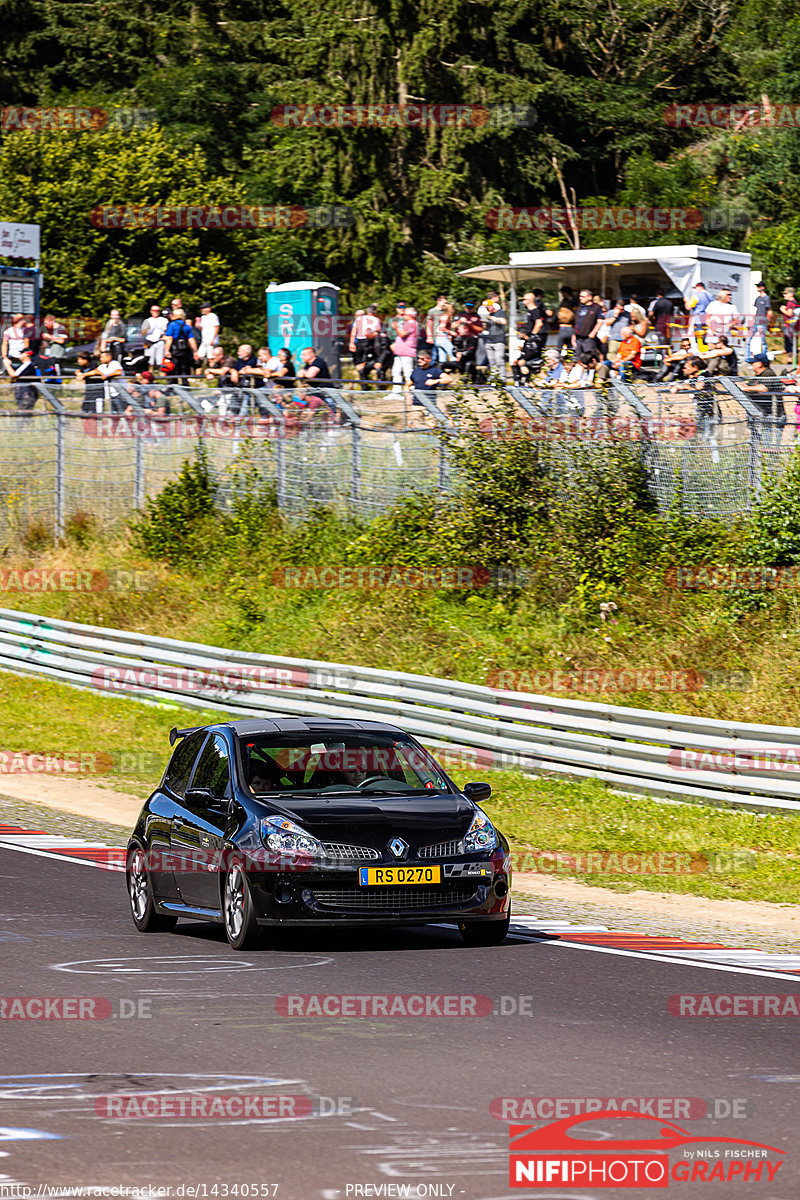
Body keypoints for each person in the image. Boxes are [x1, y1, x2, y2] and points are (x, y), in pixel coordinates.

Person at [741, 354, 786, 447]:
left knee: (769, 445)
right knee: (756, 443)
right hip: (759, 414)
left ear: (760, 364)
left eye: (753, 362)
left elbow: (763, 388)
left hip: (772, 415)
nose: (752, 364)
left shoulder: (769, 374)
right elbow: (749, 385)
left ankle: (771, 459)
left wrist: (746, 388)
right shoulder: (758, 376)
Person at [669, 356, 718, 439]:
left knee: (709, 434)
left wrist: (687, 387)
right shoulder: (694, 377)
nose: (683, 369)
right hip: (701, 410)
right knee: (701, 431)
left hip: (709, 410)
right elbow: (680, 384)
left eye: (686, 367)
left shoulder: (704, 375)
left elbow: (699, 387)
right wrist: (678, 386)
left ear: (695, 367)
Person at [388, 306, 418, 397]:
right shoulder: (407, 323)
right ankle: (396, 391)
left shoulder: (412, 323)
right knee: (396, 371)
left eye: (405, 314)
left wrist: (395, 327)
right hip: (400, 351)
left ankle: (411, 392)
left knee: (408, 372)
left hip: (407, 351)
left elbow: (402, 334)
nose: (403, 315)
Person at [163, 308, 197, 385]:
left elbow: (169, 338)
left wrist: (166, 350)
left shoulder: (172, 324)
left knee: (172, 369)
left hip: (174, 350)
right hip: (184, 350)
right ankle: (185, 387)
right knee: (184, 369)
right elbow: (191, 339)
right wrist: (195, 351)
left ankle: (172, 387)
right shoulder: (187, 326)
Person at [350, 305, 382, 379]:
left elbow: (354, 331)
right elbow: (377, 332)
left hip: (359, 342)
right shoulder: (376, 319)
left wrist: (351, 343)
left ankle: (363, 381)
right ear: (375, 311)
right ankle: (370, 379)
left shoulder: (359, 318)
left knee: (359, 363)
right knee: (368, 360)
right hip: (369, 342)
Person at [482, 295, 507, 379]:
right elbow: (486, 328)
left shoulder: (500, 312)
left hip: (499, 340)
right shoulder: (488, 315)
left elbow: (503, 321)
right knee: (491, 361)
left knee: (499, 360)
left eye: (487, 307)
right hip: (489, 340)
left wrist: (491, 318)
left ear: (492, 305)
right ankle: (494, 377)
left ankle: (502, 377)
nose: (487, 309)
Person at [572, 289, 603, 358]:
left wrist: (592, 334)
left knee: (589, 358)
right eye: (580, 296)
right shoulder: (580, 307)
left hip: (588, 338)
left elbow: (600, 321)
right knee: (578, 358)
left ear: (589, 297)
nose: (580, 298)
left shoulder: (596, 307)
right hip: (578, 337)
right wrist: (574, 336)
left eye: (583, 296)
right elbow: (576, 322)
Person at [747, 281, 772, 363]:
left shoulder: (766, 298)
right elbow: (756, 310)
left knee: (763, 341)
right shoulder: (758, 298)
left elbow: (769, 311)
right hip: (756, 321)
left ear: (763, 287)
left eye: (759, 286)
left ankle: (764, 358)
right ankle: (748, 357)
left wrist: (766, 322)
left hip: (762, 322)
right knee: (748, 339)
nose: (757, 288)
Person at [195, 300, 220, 373]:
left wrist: (213, 339)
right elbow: (203, 328)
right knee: (199, 357)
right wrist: (198, 326)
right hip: (204, 340)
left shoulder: (213, 316)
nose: (202, 310)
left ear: (208, 308)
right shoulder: (203, 317)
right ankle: (198, 375)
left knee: (210, 358)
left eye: (203, 308)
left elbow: (217, 327)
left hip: (211, 340)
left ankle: (212, 373)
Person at [140, 305, 168, 370]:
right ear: (151, 311)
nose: (156, 312)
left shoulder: (164, 320)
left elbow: (165, 331)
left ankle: (162, 377)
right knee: (149, 362)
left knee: (161, 362)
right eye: (154, 310)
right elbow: (143, 333)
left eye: (157, 310)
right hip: (149, 342)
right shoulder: (147, 320)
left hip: (159, 342)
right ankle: (149, 376)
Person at [780, 288, 799, 357]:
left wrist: (782, 310)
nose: (784, 295)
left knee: (789, 343)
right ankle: (794, 360)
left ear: (791, 294)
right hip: (794, 326)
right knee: (793, 343)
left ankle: (791, 361)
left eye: (786, 293)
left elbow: (789, 314)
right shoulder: (795, 302)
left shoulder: (790, 303)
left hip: (789, 326)